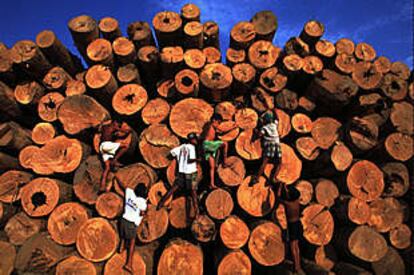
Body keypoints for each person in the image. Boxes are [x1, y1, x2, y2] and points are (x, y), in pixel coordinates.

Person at [156, 133, 200, 218]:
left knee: (173, 188)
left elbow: (171, 153)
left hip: (181, 172)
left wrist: (179, 159)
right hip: (191, 172)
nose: (196, 141)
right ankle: (196, 212)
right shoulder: (191, 148)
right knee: (193, 192)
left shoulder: (181, 147)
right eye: (195, 139)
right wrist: (198, 160)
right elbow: (189, 160)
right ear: (192, 140)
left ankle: (160, 203)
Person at [118, 183, 148, 273]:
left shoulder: (129, 192)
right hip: (131, 223)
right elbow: (142, 213)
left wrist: (117, 178)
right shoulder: (142, 202)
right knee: (132, 242)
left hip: (123, 220)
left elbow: (123, 185)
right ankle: (129, 263)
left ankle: (121, 247)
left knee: (123, 235)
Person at [277, 182, 303, 274]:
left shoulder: (287, 204)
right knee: (296, 246)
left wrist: (280, 187)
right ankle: (298, 265)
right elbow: (289, 195)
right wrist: (285, 187)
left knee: (293, 246)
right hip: (298, 223)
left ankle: (296, 267)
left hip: (292, 225)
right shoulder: (296, 201)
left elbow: (278, 197)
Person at [98, 119, 131, 192]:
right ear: (114, 123)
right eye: (117, 124)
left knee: (107, 167)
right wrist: (126, 130)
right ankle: (115, 160)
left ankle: (102, 185)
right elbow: (124, 131)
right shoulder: (113, 128)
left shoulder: (105, 127)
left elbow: (101, 127)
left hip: (102, 146)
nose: (118, 126)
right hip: (107, 146)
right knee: (125, 146)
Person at [252, 111, 282, 184]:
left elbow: (260, 135)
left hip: (269, 145)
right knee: (279, 162)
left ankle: (257, 178)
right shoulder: (274, 124)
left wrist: (255, 131)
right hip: (277, 144)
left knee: (265, 162)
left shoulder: (264, 127)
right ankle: (274, 177)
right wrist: (274, 110)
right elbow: (277, 118)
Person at [201, 113, 229, 189]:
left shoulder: (208, 127)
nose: (219, 124)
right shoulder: (212, 125)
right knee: (225, 143)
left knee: (212, 167)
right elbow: (222, 130)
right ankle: (225, 161)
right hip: (208, 144)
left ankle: (211, 184)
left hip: (206, 145)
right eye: (218, 122)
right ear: (214, 120)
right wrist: (233, 127)